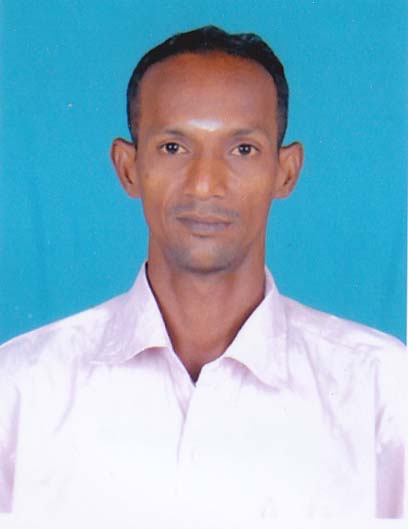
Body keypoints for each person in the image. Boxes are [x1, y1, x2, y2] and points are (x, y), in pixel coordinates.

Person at [0, 26, 406, 526]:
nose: (205, 185)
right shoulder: (19, 390)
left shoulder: (382, 391)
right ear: (128, 168)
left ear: (286, 171)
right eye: (174, 147)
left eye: (243, 149)